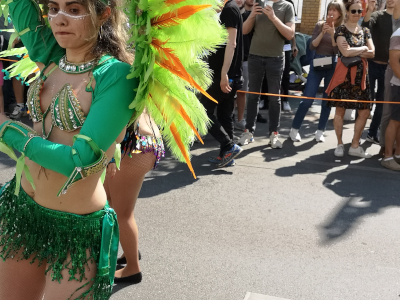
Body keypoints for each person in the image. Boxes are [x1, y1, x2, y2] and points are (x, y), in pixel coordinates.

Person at [0, 0, 138, 298]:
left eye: (74, 10)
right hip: (23, 211)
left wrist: (8, 130)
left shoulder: (116, 76)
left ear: (104, 14)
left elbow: (79, 161)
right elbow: (19, 5)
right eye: (53, 7)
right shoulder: (51, 57)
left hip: (76, 231)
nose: (59, 19)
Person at [104, 111, 164, 283]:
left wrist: (110, 159)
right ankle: (129, 249)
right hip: (140, 139)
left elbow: (117, 117)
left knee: (122, 212)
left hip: (133, 144)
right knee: (108, 199)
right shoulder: (130, 82)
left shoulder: (116, 82)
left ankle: (132, 268)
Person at [238, 0, 295, 148]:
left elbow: (290, 34)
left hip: (275, 58)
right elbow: (244, 30)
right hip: (255, 57)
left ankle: (274, 134)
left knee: (274, 98)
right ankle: (248, 132)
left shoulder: (286, 6)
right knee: (253, 96)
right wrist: (251, 16)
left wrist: (273, 17)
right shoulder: (258, 3)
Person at [290, 0, 345, 142]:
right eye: (330, 9)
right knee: (308, 99)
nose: (331, 13)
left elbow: (336, 50)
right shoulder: (320, 25)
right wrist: (322, 32)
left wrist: (333, 33)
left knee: (327, 100)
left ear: (340, 14)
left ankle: (320, 131)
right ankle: (294, 129)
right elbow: (312, 46)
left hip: (332, 65)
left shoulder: (341, 29)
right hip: (317, 63)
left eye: (334, 10)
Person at [326, 0, 375, 158]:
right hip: (345, 77)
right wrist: (362, 49)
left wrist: (355, 51)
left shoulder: (365, 31)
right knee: (340, 110)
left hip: (362, 77)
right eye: (353, 11)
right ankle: (340, 143)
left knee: (365, 111)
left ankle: (355, 144)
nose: (357, 14)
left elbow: (373, 53)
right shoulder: (340, 30)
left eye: (359, 11)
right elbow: (345, 53)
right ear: (347, 12)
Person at [202, 0, 244, 167]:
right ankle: (227, 155)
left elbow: (231, 43)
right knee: (225, 115)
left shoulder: (229, 10)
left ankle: (228, 146)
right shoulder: (230, 9)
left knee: (204, 112)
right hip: (228, 74)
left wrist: (224, 74)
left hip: (224, 75)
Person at [361, 0, 399, 144]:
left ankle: (372, 133)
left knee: (382, 104)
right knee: (366, 102)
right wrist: (369, 10)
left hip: (390, 68)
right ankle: (356, 138)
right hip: (371, 64)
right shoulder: (377, 15)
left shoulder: (398, 20)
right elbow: (365, 26)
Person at [381, 25, 400, 170]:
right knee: (394, 121)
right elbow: (394, 63)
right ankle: (387, 157)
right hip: (398, 85)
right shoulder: (398, 35)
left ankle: (398, 154)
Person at [235, 0, 253, 131]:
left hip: (246, 58)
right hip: (231, 58)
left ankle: (240, 120)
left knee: (242, 92)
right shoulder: (230, 11)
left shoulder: (253, 14)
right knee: (225, 92)